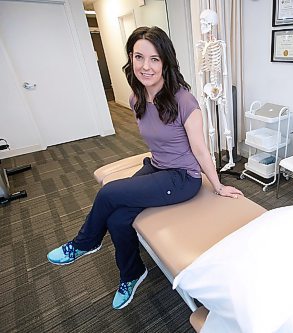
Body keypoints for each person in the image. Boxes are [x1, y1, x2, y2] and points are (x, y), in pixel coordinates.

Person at [47, 26, 242, 310]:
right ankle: (133, 273)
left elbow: (200, 149)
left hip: (182, 178)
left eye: (154, 59)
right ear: (131, 58)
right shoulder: (136, 98)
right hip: (156, 167)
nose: (146, 66)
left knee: (109, 193)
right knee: (116, 220)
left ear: (165, 62)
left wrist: (218, 185)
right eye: (139, 57)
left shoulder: (183, 100)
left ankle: (84, 243)